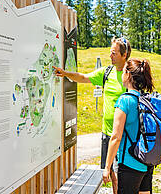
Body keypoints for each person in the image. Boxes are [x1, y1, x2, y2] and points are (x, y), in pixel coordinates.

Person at [53, 37, 131, 194]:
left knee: (124, 175)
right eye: (110, 52)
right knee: (111, 173)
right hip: (107, 133)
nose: (110, 56)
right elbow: (83, 77)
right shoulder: (106, 72)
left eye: (114, 53)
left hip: (125, 135)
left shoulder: (131, 75)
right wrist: (65, 73)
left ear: (124, 55)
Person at [102, 58, 155, 194]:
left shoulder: (125, 100)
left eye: (124, 70)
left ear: (128, 74)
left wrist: (107, 167)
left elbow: (115, 137)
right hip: (146, 161)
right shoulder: (146, 99)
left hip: (129, 163)